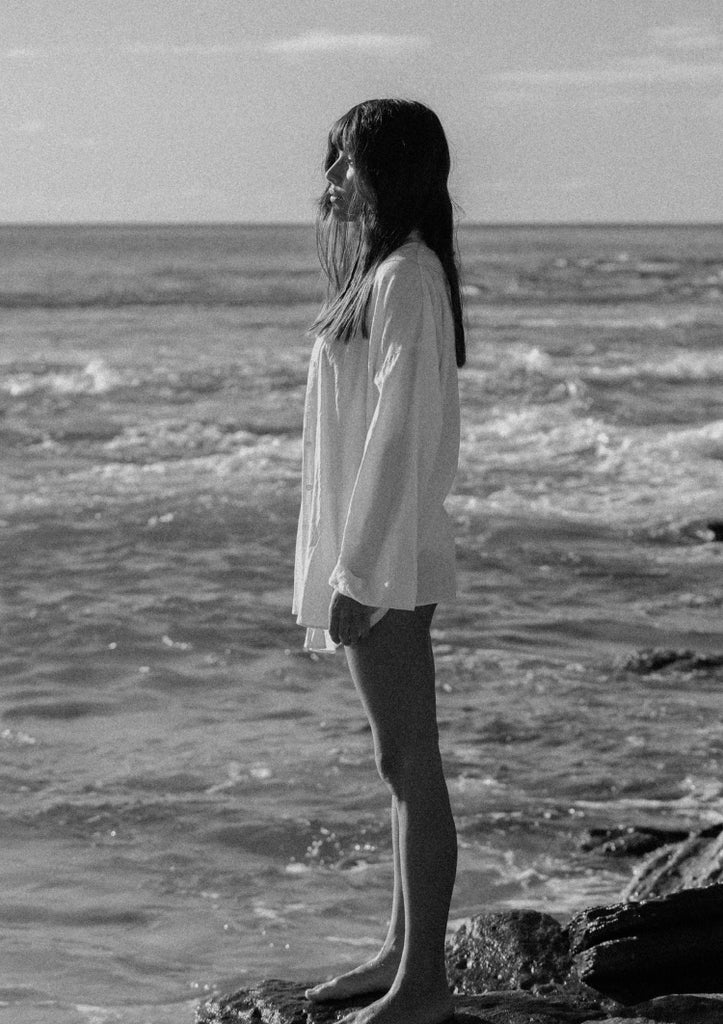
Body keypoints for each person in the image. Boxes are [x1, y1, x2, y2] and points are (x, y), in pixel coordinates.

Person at [292, 98, 465, 1024]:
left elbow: (400, 439)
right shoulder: (388, 275)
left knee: (410, 763)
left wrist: (356, 575)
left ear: (390, 171)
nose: (330, 184)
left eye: (344, 165)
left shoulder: (406, 278)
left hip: (384, 557)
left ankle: (425, 986)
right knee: (396, 762)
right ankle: (402, 952)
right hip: (377, 552)